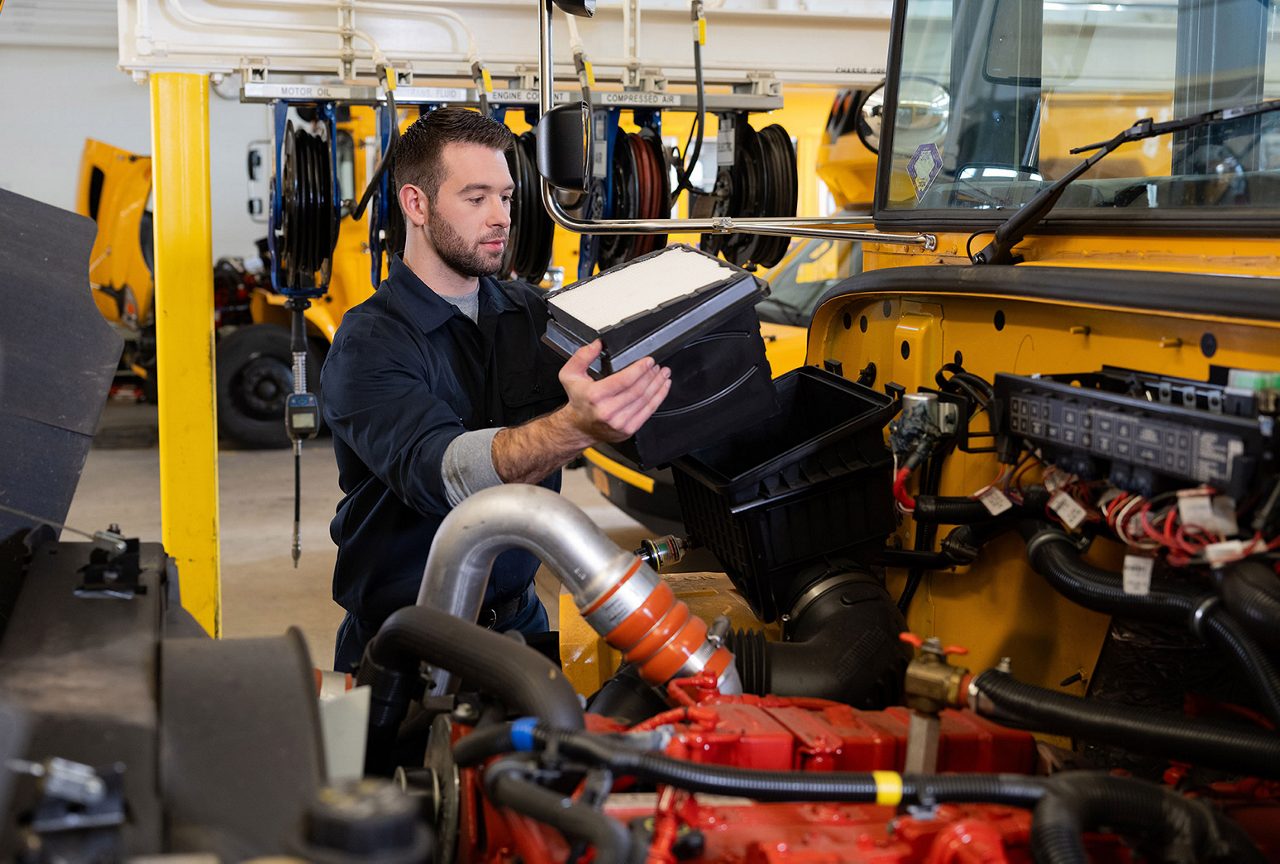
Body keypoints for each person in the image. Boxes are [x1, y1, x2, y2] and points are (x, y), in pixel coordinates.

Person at [321, 108, 671, 671]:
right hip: (406, 641)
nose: (501, 218)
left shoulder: (530, 313)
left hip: (521, 625)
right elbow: (443, 475)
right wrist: (575, 427)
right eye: (476, 197)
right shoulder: (369, 344)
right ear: (417, 204)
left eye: (506, 198)